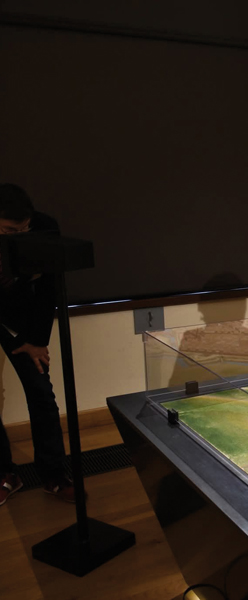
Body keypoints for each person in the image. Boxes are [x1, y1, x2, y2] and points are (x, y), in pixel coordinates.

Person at [0, 184, 74, 506]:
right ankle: (5, 473)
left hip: (22, 320)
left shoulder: (45, 227)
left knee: (41, 392)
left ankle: (54, 474)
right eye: (9, 230)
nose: (18, 235)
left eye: (24, 229)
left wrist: (37, 341)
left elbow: (49, 289)